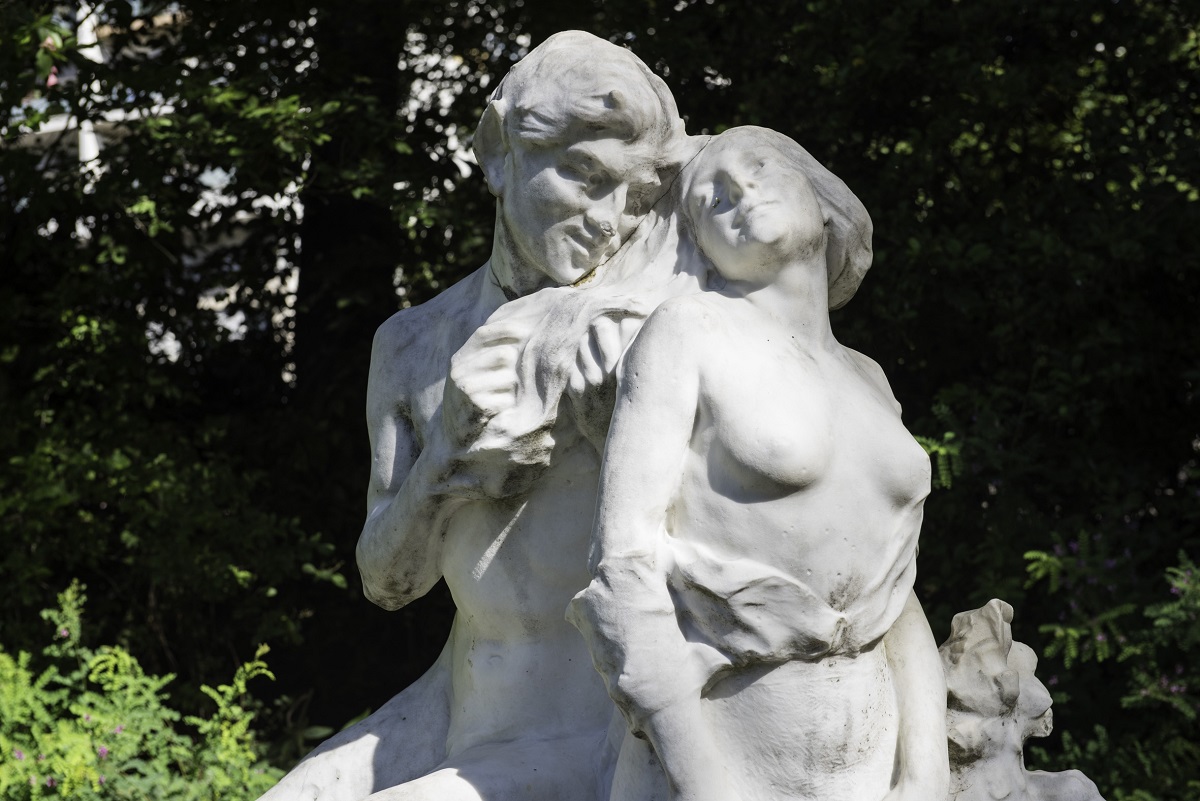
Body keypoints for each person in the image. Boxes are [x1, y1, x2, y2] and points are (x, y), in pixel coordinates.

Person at [259, 31, 701, 801]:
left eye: (632, 197)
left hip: (594, 729)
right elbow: (388, 581)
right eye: (586, 176)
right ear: (499, 152)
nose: (608, 219)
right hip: (454, 703)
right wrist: (444, 466)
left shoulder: (647, 334)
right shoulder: (412, 343)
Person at [567, 126, 950, 801]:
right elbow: (623, 568)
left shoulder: (869, 378)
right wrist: (704, 782)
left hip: (875, 761)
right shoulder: (689, 331)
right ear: (701, 249)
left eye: (761, 166)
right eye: (711, 198)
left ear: (819, 191)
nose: (740, 191)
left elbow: (898, 597)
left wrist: (926, 769)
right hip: (726, 752)